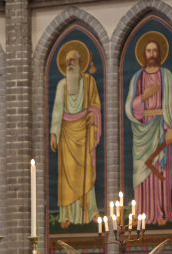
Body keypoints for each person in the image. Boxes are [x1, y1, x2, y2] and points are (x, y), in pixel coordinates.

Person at [125, 37, 172, 226]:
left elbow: (171, 104)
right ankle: (141, 214)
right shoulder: (137, 77)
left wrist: (170, 128)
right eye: (148, 51)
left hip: (161, 128)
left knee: (159, 171)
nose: (152, 55)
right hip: (142, 129)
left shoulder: (167, 76)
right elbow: (129, 106)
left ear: (160, 53)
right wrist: (144, 96)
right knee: (141, 171)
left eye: (155, 51)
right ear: (143, 54)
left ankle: (162, 212)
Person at [50, 45, 101, 229]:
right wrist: (54, 133)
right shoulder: (61, 85)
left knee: (86, 170)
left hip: (84, 132)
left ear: (80, 62)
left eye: (72, 60)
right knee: (67, 175)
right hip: (66, 133)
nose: (69, 64)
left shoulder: (89, 82)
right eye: (67, 61)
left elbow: (96, 104)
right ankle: (67, 215)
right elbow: (57, 109)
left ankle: (91, 211)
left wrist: (93, 114)